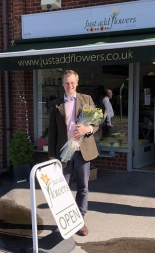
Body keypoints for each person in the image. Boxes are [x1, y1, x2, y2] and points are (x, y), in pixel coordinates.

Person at [48, 70, 99, 236]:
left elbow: (96, 122)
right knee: (63, 189)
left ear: (76, 83)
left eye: (72, 83)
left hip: (82, 152)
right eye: (66, 83)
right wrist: (51, 157)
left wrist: (88, 128)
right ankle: (64, 221)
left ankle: (80, 221)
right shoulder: (56, 105)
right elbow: (52, 133)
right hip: (64, 153)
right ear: (62, 84)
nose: (70, 86)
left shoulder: (86, 99)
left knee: (83, 188)